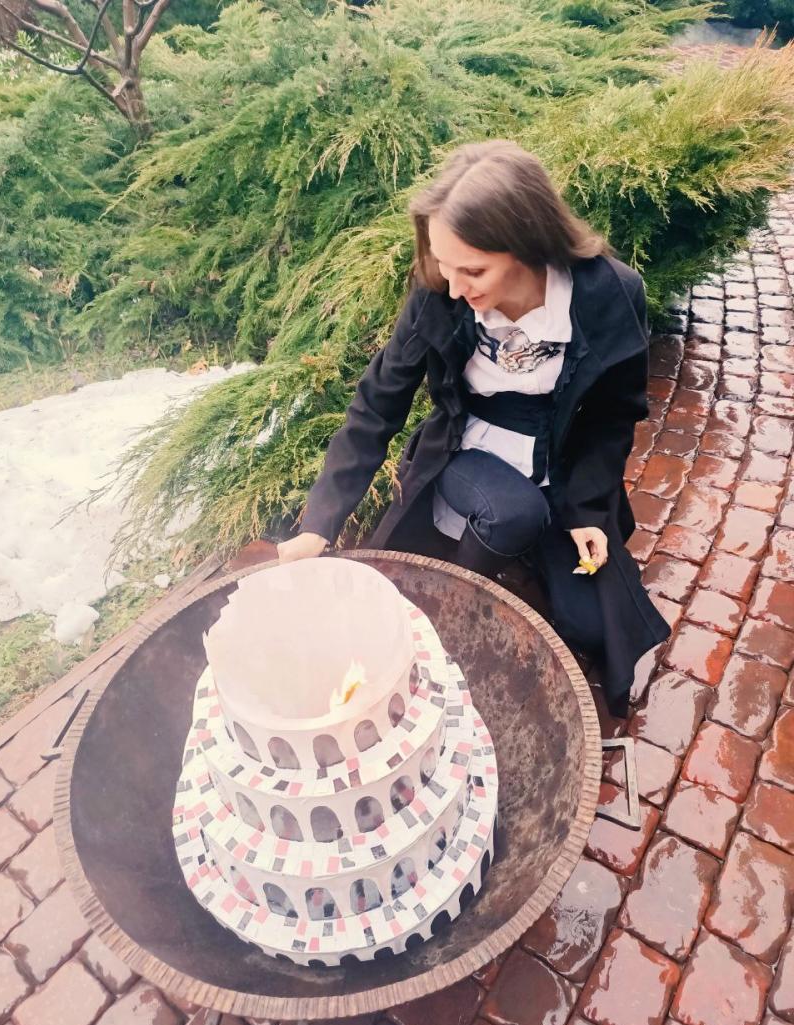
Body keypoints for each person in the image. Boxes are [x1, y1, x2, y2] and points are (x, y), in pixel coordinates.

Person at [277, 140, 671, 716]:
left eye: (474, 270)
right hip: (467, 448)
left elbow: (614, 416)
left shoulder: (609, 293)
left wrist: (588, 510)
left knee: (592, 627)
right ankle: (455, 609)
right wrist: (320, 523)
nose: (455, 285)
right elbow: (377, 405)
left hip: (558, 463)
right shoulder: (440, 293)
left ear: (528, 244)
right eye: (444, 263)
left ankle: (529, 549)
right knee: (513, 513)